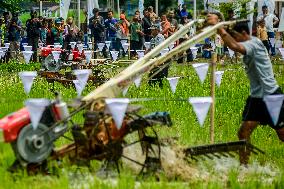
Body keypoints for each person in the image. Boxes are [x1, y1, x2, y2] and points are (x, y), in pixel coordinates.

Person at [207, 13, 284, 165]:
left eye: (235, 35)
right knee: (243, 131)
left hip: (271, 95)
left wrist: (219, 29)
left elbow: (234, 46)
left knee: (282, 134)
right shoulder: (248, 42)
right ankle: (244, 167)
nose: (234, 39)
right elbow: (232, 40)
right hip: (257, 97)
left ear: (243, 33)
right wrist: (220, 25)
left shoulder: (254, 44)